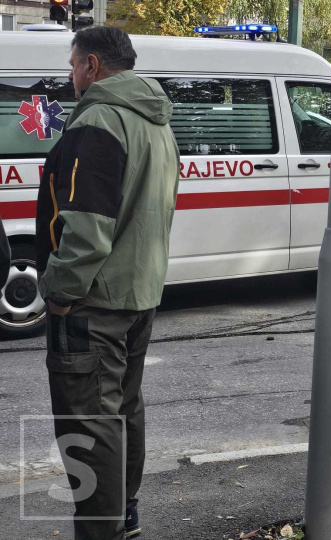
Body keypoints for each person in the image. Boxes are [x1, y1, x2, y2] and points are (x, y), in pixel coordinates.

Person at [35, 27, 179, 540]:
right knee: (122, 412)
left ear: (93, 65)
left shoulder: (99, 119)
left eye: (73, 65)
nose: (70, 75)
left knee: (90, 426)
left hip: (92, 301)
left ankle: (102, 530)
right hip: (139, 294)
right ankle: (125, 517)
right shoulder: (155, 120)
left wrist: (58, 290)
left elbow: (86, 230)